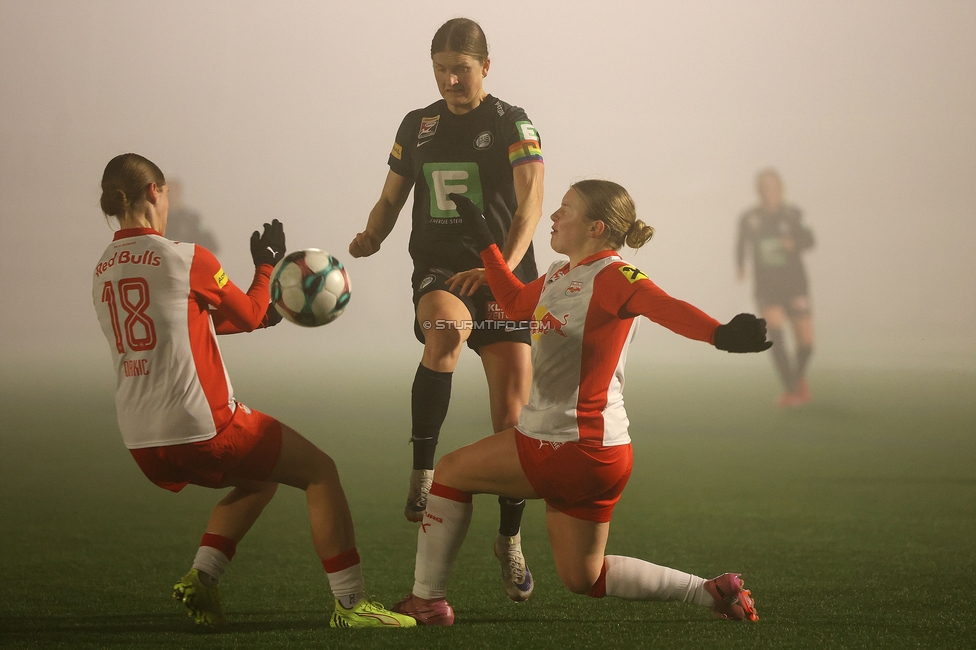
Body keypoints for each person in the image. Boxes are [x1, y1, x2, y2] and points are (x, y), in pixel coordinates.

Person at [391, 182, 770, 626]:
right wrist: (487, 246)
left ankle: (427, 601)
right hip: (598, 454)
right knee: (582, 577)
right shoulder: (559, 273)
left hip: (568, 445)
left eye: (565, 209)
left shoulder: (614, 276)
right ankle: (710, 592)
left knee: (451, 472)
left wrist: (720, 334)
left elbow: (664, 306)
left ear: (596, 226)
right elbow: (513, 303)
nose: (553, 216)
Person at [92, 153, 415, 629]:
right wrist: (266, 268)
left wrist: (257, 307)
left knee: (260, 478)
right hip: (200, 424)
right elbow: (244, 314)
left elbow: (195, 325)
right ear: (154, 193)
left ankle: (202, 579)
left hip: (141, 438)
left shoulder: (102, 268)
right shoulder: (184, 257)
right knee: (321, 472)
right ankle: (351, 605)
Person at [348, 17, 544, 601]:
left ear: (487, 67)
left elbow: (531, 205)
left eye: (462, 68)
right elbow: (391, 196)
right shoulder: (418, 124)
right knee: (445, 333)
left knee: (512, 421)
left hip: (504, 274)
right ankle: (423, 471)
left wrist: (498, 270)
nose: (451, 78)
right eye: (441, 68)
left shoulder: (513, 121)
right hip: (439, 272)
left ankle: (509, 540)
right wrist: (372, 234)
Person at [736, 168, 815, 407]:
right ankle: (791, 390)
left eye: (773, 186)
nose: (769, 191)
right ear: (759, 191)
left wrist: (794, 243)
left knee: (806, 343)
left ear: (780, 188)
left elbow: (810, 240)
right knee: (775, 333)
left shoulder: (793, 214)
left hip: (795, 284)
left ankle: (796, 379)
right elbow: (740, 245)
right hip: (767, 286)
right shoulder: (750, 218)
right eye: (764, 187)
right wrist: (740, 266)